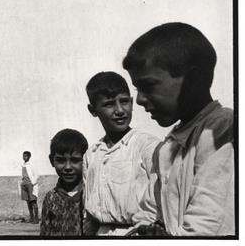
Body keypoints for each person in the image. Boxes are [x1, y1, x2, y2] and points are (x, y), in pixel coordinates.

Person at [123, 23, 234, 236]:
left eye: (148, 86)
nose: (139, 99)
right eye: (137, 89)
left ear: (193, 80)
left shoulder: (222, 131)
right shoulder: (167, 147)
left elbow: (208, 227)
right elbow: (148, 212)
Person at [83, 71, 160, 236]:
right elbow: (89, 213)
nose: (120, 110)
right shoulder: (91, 155)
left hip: (139, 234)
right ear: (93, 110)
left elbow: (161, 201)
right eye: (109, 104)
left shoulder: (147, 146)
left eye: (124, 101)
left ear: (132, 103)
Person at [40, 128, 88, 237]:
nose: (67, 167)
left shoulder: (90, 195)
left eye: (75, 160)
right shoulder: (51, 198)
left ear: (86, 160)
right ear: (52, 161)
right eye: (61, 160)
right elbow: (44, 233)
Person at [19, 151, 39, 224]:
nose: (24, 157)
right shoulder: (23, 165)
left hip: (30, 184)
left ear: (29, 157)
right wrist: (22, 182)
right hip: (24, 184)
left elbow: (36, 175)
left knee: (33, 201)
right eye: (23, 156)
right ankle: (31, 218)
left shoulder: (31, 165)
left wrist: (32, 182)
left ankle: (36, 219)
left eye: (26, 156)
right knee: (28, 202)